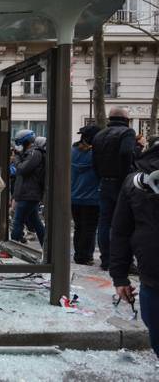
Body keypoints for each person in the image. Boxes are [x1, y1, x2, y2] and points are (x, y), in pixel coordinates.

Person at [110, 136, 159, 360]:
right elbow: (121, 231)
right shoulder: (136, 181)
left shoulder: (135, 180)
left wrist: (120, 276)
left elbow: (120, 231)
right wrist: (119, 276)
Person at [92, 106, 136, 270]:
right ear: (125, 119)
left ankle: (106, 260)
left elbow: (94, 161)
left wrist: (101, 176)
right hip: (121, 183)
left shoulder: (99, 134)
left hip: (104, 182)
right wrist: (126, 178)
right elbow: (126, 153)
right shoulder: (127, 132)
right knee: (125, 223)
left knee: (104, 223)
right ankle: (125, 262)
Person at [71, 126, 101, 266]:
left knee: (79, 227)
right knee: (90, 228)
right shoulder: (96, 154)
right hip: (92, 197)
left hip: (74, 196)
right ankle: (86, 256)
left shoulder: (72, 152)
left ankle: (78, 255)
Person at [10, 129, 46, 246]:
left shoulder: (35, 153)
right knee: (36, 222)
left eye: (19, 143)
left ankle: (12, 247)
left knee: (18, 220)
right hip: (26, 193)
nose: (18, 146)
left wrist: (16, 158)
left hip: (29, 194)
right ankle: (46, 246)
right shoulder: (26, 154)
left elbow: (22, 169)